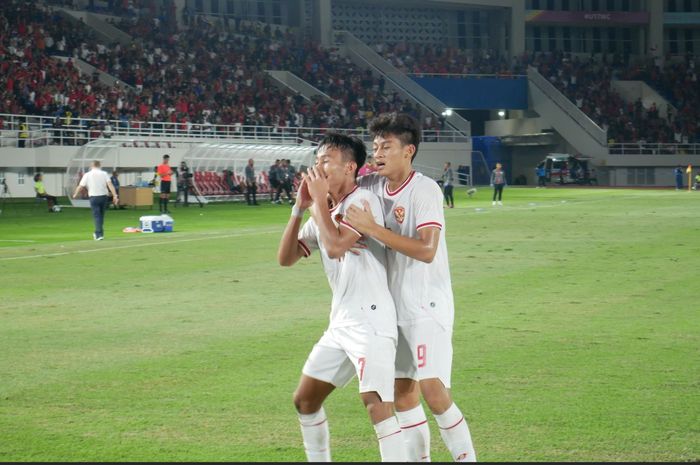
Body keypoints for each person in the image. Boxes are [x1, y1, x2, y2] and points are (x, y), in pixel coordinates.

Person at [347, 113, 476, 462]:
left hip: (426, 305)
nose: (378, 153)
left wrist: (373, 228)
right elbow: (343, 191)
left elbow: (426, 249)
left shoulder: (425, 190)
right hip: (391, 309)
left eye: (386, 146)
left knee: (433, 390)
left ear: (409, 151)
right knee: (402, 395)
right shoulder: (372, 186)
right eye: (375, 147)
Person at [277, 133, 407, 462]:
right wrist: (299, 208)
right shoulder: (324, 212)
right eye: (316, 161)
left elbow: (335, 246)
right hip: (342, 322)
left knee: (377, 405)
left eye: (325, 162)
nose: (317, 168)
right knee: (305, 400)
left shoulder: (363, 201)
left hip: (373, 321)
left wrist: (319, 203)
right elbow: (286, 258)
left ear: (349, 167)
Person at [72, 160, 118, 240]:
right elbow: (110, 184)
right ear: (99, 165)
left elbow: (81, 186)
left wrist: (75, 194)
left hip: (94, 197)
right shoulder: (104, 173)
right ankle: (100, 233)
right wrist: (115, 195)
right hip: (104, 196)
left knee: (97, 216)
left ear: (91, 166)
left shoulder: (87, 174)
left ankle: (98, 234)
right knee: (101, 215)